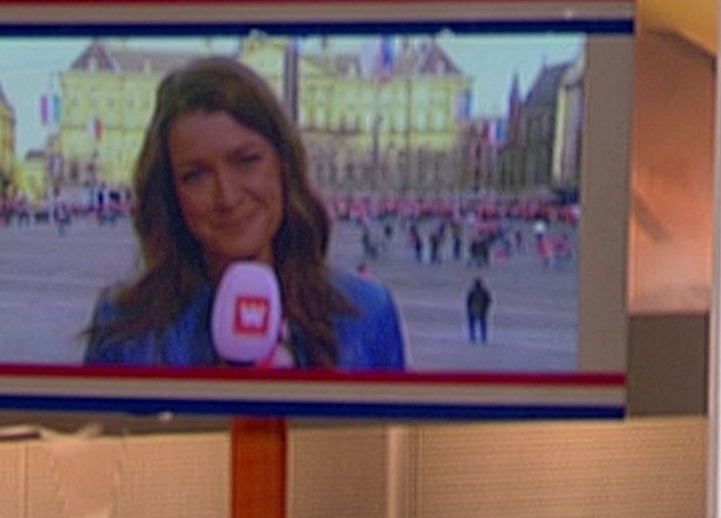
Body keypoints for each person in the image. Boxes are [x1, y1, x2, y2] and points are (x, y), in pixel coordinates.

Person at [82, 59, 405, 369]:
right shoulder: (123, 327)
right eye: (196, 176)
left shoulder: (369, 313)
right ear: (170, 194)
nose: (228, 197)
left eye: (246, 161)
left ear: (284, 164)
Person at [466, 276, 492, 343]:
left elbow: (468, 302)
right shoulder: (484, 292)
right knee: (482, 324)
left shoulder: (472, 292)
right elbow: (488, 301)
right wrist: (485, 308)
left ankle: (473, 337)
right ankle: (482, 338)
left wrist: (469, 309)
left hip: (474, 309)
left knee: (473, 324)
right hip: (481, 310)